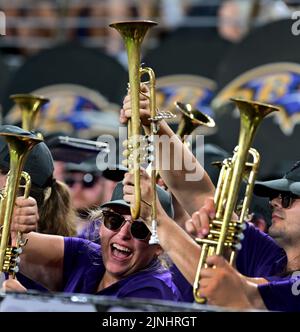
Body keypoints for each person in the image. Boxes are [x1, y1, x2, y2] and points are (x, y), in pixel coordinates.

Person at [3, 173, 183, 303]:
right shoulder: (86, 254)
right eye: (114, 220)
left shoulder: (154, 291)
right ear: (101, 226)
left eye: (140, 228)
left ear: (159, 245)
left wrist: (27, 305)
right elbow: (7, 244)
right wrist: (8, 214)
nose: (123, 234)